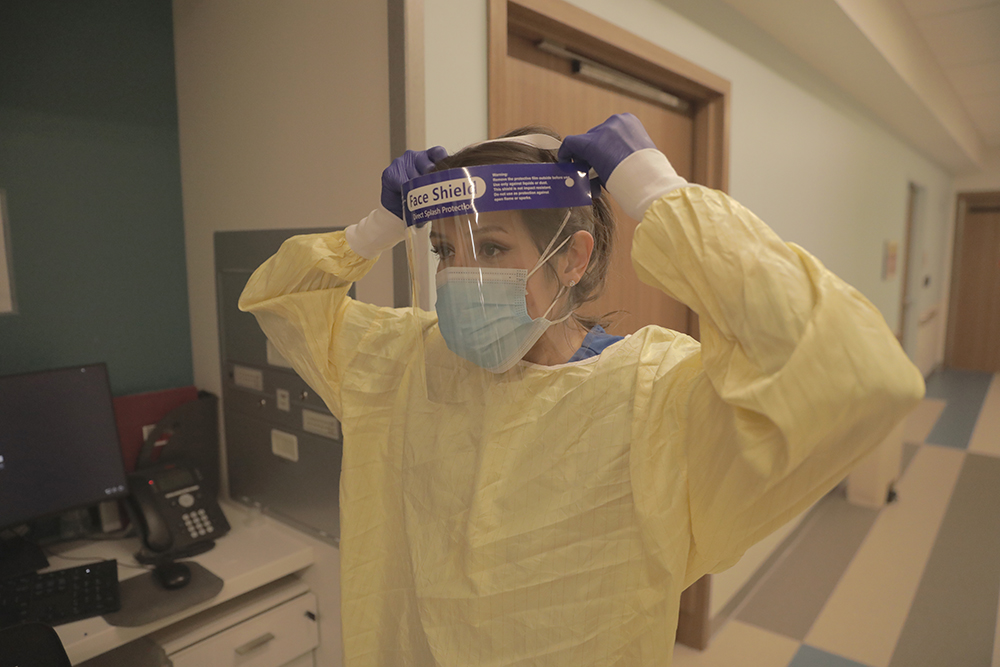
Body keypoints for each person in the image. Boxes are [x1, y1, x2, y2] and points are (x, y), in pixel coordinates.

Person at [240, 114, 924, 666]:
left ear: (571, 257)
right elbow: (279, 300)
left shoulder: (655, 399)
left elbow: (858, 372)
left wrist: (658, 194)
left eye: (493, 247)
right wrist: (376, 228)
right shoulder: (407, 365)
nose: (458, 276)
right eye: (446, 251)